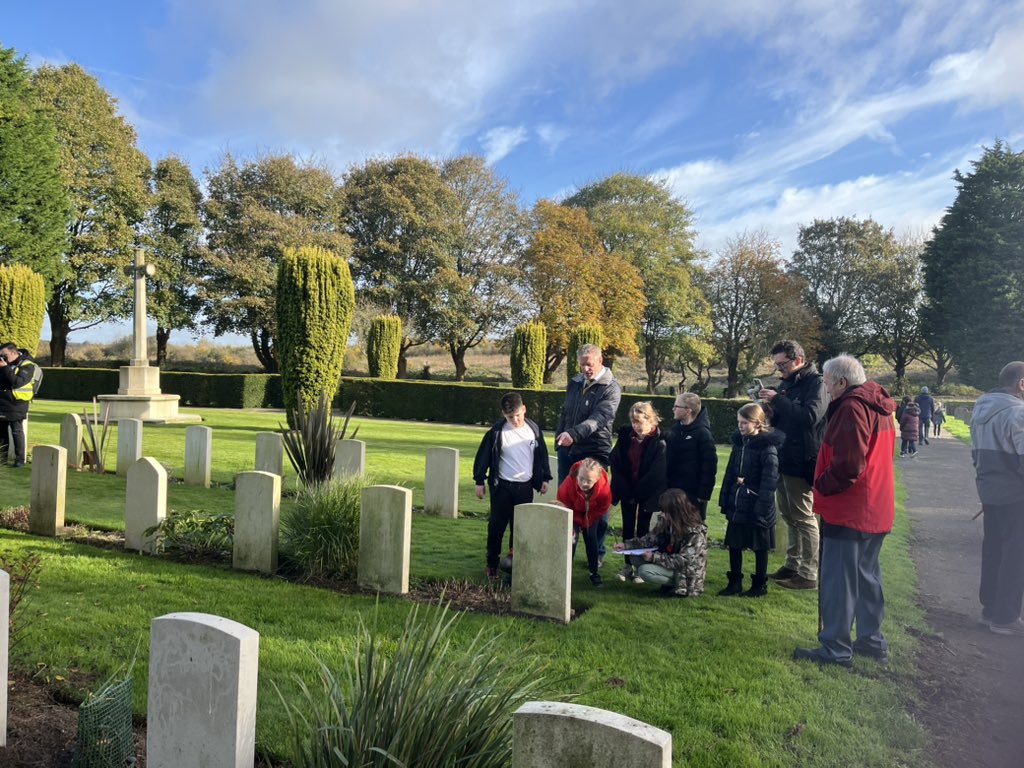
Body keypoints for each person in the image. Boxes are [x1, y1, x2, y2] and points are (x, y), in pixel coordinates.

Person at [793, 354, 896, 667]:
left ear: (841, 382)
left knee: (840, 581)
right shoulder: (877, 404)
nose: (825, 389)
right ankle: (871, 640)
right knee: (867, 577)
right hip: (875, 505)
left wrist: (821, 484)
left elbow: (849, 464)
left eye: (826, 383)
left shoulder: (852, 407)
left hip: (851, 508)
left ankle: (836, 647)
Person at [758, 340, 828, 590]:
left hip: (803, 459)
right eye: (777, 365)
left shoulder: (817, 383)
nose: (779, 370)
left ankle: (809, 573)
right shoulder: (789, 383)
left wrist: (779, 399)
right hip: (783, 456)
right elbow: (786, 416)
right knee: (788, 515)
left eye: (782, 364)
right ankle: (792, 564)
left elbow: (810, 417)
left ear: (798, 359)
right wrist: (769, 409)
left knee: (804, 516)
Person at [969, 361, 1024, 637]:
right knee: (1015, 556)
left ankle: (990, 608)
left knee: (993, 550)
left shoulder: (980, 408)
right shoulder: (1019, 412)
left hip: (989, 491)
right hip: (1016, 496)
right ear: (1021, 384)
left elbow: (975, 454)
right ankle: (1005, 617)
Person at [555, 343, 622, 566]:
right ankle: (565, 551)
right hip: (569, 450)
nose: (585, 369)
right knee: (566, 501)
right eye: (582, 365)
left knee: (597, 503)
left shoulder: (610, 387)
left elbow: (599, 418)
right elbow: (565, 413)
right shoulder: (575, 382)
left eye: (589, 364)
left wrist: (573, 434)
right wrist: (561, 439)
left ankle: (598, 552)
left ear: (600, 360)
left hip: (595, 451)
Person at [473, 392, 552, 581]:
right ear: (503, 414)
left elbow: (542, 455)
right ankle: (492, 564)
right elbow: (483, 456)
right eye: (510, 417)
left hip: (524, 487)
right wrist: (479, 481)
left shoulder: (533, 429)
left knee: (520, 526)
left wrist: (545, 478)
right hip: (502, 487)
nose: (515, 420)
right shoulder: (497, 432)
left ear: (524, 409)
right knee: (497, 526)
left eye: (517, 415)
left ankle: (514, 561)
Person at [718, 402, 783, 598]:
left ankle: (759, 585)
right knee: (735, 544)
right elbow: (730, 471)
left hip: (757, 503)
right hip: (738, 502)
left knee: (759, 546)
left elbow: (770, 478)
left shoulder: (767, 447)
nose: (741, 426)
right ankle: (735, 581)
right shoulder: (739, 444)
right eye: (739, 422)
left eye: (745, 422)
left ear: (757, 423)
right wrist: (725, 499)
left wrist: (761, 505)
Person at [609, 402, 667, 582]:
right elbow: (616, 461)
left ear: (650, 420)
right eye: (633, 422)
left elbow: (657, 472)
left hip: (647, 493)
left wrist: (639, 492)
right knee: (627, 527)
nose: (636, 426)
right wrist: (626, 491)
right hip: (627, 490)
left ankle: (641, 566)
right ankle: (627, 566)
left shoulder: (659, 442)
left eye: (640, 422)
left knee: (643, 529)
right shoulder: (626, 437)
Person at [613, 489, 708, 597]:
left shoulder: (695, 531)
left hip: (687, 573)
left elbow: (683, 560)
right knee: (635, 557)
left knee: (645, 571)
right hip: (671, 561)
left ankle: (679, 587)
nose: (662, 514)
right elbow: (651, 538)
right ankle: (668, 585)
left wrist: (654, 557)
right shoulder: (667, 520)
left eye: (665, 511)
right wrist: (627, 546)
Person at [557, 458, 613, 588]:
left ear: (597, 479)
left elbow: (603, 508)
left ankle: (594, 572)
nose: (584, 483)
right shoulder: (568, 484)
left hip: (592, 513)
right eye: (581, 478)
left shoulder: (604, 490)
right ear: (578, 474)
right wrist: (578, 521)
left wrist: (586, 521)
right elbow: (563, 503)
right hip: (572, 511)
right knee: (571, 539)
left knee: (591, 538)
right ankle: (565, 573)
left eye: (589, 481)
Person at [665, 392, 718, 520]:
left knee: (692, 532)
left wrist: (703, 495)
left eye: (677, 406)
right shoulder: (674, 430)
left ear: (688, 410)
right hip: (673, 493)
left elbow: (709, 466)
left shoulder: (703, 434)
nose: (673, 409)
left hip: (694, 495)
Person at [0, 342, 40, 468]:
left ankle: (19, 460)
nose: (2, 358)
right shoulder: (6, 365)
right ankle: (2, 459)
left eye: (4, 355)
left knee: (17, 431)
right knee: (1, 433)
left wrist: (5, 367)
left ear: (13, 352)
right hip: (3, 402)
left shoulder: (27, 365)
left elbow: (17, 382)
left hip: (17, 404)